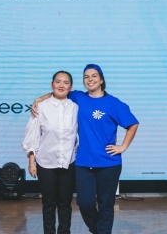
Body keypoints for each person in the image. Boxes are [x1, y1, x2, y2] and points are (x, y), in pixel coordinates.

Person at [33, 64, 139, 234]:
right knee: (84, 203)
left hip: (108, 163)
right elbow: (59, 92)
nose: (90, 80)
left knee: (106, 204)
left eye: (94, 76)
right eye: (86, 77)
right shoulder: (79, 97)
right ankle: (98, 230)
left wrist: (123, 146)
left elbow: (132, 124)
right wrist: (38, 100)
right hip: (83, 162)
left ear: (101, 80)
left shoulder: (114, 103)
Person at [23, 71, 79, 234]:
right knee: (48, 204)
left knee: (65, 203)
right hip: (45, 163)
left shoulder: (75, 107)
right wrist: (31, 162)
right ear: (52, 84)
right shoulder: (41, 107)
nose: (61, 85)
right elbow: (32, 136)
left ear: (71, 87)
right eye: (58, 81)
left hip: (68, 162)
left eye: (66, 82)